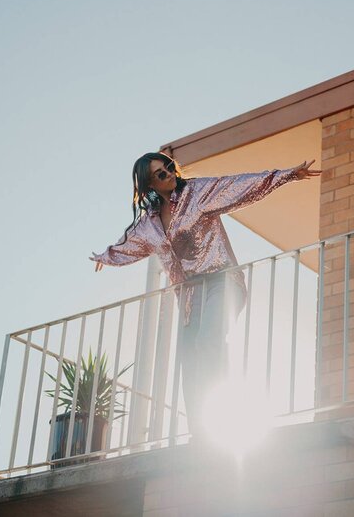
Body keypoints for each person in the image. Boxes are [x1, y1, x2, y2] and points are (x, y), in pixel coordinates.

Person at [89, 151, 320, 438]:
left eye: (169, 167)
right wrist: (106, 256)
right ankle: (200, 431)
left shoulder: (197, 192)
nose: (169, 174)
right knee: (190, 359)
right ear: (150, 185)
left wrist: (285, 175)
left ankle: (226, 413)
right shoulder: (149, 224)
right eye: (160, 174)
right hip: (190, 295)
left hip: (222, 280)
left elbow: (239, 186)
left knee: (209, 339)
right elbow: (129, 244)